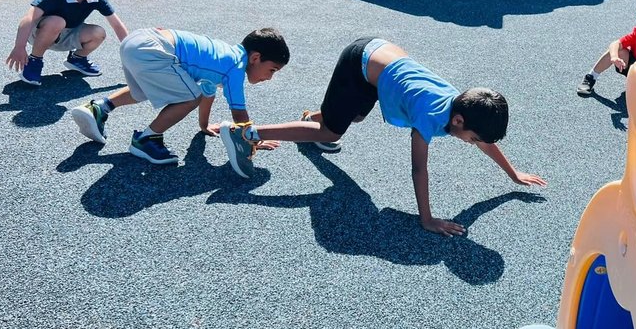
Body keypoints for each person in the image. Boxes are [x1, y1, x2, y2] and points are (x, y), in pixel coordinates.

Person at [219, 38, 547, 236]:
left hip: (381, 63)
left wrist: (512, 174)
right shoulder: (429, 116)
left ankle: (312, 120)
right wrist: (428, 220)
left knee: (355, 116)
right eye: (473, 139)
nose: (475, 144)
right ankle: (246, 133)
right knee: (332, 130)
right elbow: (419, 169)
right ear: (458, 120)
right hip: (359, 63)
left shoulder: (462, 107)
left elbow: (486, 142)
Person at [69, 27, 289, 166]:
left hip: (138, 40)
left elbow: (207, 92)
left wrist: (204, 125)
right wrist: (253, 138)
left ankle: (100, 107)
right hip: (154, 49)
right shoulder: (235, 67)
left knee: (143, 90)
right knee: (189, 97)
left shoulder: (224, 55)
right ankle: (147, 139)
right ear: (256, 58)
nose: (269, 78)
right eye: (272, 70)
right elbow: (239, 112)